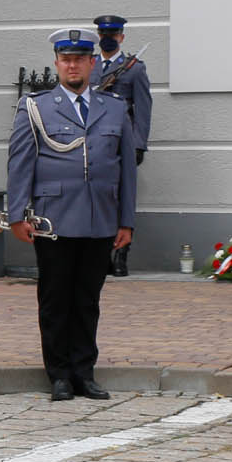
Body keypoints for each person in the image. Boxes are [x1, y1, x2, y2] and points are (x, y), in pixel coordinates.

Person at [6, 28, 136, 402]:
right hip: (54, 219)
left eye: (80, 59)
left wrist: (126, 220)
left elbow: (127, 169)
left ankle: (84, 372)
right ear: (57, 64)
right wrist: (17, 215)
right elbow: (20, 164)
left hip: (100, 219)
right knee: (55, 299)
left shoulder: (113, 107)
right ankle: (59, 375)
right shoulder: (36, 106)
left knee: (87, 300)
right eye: (66, 59)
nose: (73, 65)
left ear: (92, 63)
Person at [93, 14, 150, 277]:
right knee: (98, 194)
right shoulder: (90, 66)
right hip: (94, 142)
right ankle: (101, 253)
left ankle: (121, 255)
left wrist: (138, 145)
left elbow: (143, 110)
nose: (107, 39)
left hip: (120, 141)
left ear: (121, 38)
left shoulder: (134, 68)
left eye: (113, 35)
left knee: (123, 194)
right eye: (103, 35)